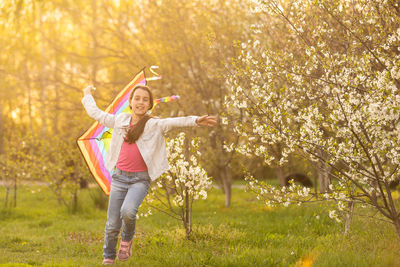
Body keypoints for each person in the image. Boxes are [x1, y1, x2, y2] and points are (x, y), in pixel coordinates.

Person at [81, 84, 217, 265]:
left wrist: (195, 120)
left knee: (128, 212)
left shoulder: (154, 124)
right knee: (112, 223)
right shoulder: (120, 120)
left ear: (150, 105)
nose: (140, 102)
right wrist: (87, 95)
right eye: (137, 98)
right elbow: (97, 114)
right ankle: (108, 256)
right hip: (119, 178)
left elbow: (175, 121)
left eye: (145, 100)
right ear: (130, 102)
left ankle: (127, 240)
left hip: (140, 180)